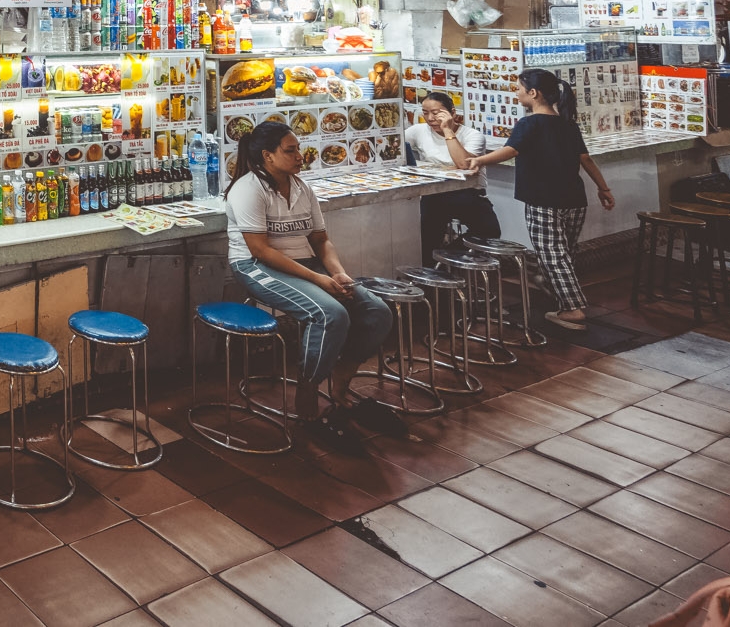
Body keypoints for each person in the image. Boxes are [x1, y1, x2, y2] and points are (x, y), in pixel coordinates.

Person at [225, 121, 396, 452]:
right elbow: (260, 250)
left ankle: (341, 385)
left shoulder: (301, 187)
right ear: (267, 156)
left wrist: (339, 274)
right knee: (330, 314)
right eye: (290, 150)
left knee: (376, 311)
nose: (299, 156)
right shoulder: (248, 189)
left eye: (297, 148)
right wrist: (319, 280)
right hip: (257, 267)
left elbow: (320, 240)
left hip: (306, 266)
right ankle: (307, 396)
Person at [468, 68, 615, 332]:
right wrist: (603, 188)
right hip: (574, 198)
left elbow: (510, 151)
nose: (516, 92)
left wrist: (479, 160)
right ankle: (551, 287)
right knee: (564, 253)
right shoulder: (567, 123)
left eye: (519, 88)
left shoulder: (529, 123)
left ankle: (572, 309)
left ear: (533, 93)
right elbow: (586, 159)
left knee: (553, 255)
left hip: (543, 199)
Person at [407, 92, 501, 263]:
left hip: (468, 194)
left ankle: (447, 258)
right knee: (426, 235)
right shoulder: (419, 131)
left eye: (436, 113)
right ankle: (432, 272)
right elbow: (395, 143)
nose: (430, 118)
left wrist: (448, 130)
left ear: (452, 112)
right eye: (425, 112)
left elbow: (463, 164)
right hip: (434, 194)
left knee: (490, 231)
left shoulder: (472, 135)